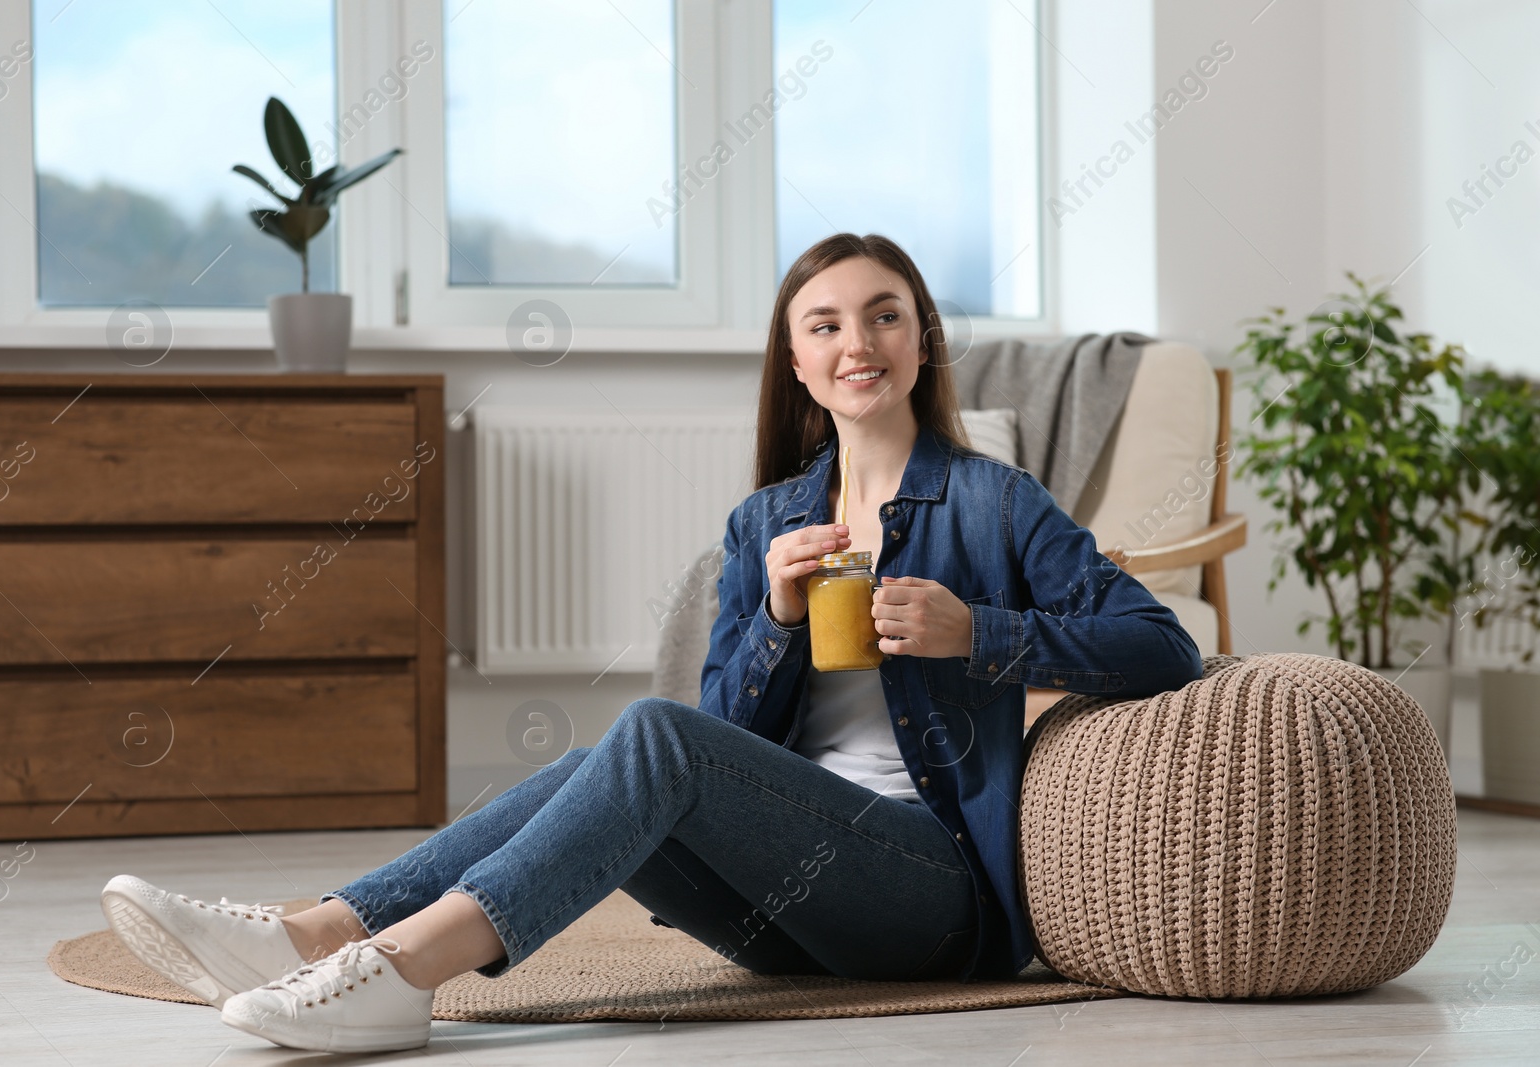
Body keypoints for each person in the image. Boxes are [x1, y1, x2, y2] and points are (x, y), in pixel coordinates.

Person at [100, 232, 1202, 1054]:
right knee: (609, 759)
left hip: (925, 896)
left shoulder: (994, 504)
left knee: (642, 736)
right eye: (824, 323)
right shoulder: (765, 524)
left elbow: (1160, 645)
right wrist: (773, 622)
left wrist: (982, 632)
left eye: (883, 315)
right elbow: (714, 741)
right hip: (781, 911)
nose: (856, 341)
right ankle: (318, 930)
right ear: (798, 362)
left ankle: (396, 967)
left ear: (922, 342)